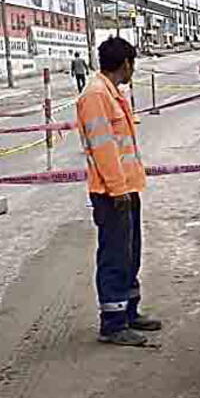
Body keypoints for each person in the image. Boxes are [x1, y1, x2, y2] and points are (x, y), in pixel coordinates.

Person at [76, 37, 162, 346]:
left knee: (130, 253)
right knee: (115, 256)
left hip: (126, 188)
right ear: (126, 64)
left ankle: (129, 311)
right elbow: (104, 148)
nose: (133, 70)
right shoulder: (97, 96)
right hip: (113, 192)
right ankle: (113, 323)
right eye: (133, 64)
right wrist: (117, 189)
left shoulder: (112, 94)